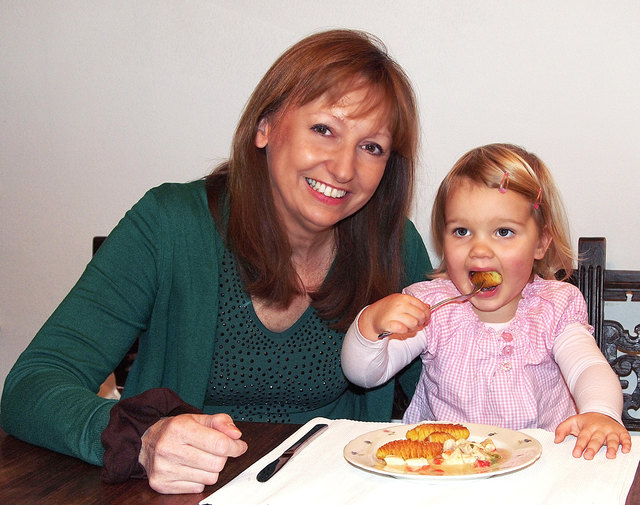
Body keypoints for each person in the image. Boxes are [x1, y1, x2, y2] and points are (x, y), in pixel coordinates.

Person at [0, 29, 432, 493]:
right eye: (324, 129)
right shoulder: (170, 225)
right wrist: (143, 439)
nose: (344, 168)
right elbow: (32, 385)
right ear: (264, 128)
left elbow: (455, 382)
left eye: (372, 147)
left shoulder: (393, 246)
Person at [342, 143, 632, 460]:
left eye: (503, 232)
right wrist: (370, 326)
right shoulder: (433, 309)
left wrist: (600, 412)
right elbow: (364, 375)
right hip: (446, 469)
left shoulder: (553, 306)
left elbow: (587, 366)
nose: (480, 250)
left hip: (541, 467)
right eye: (462, 231)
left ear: (541, 243)